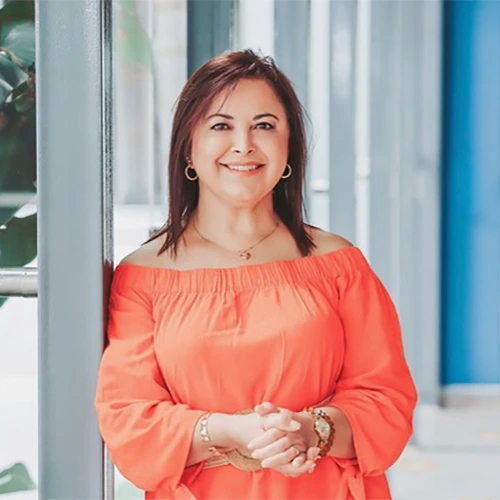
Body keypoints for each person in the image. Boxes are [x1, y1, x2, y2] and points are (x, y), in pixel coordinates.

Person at [95, 49, 417, 500]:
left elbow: (387, 399)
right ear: (189, 147)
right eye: (221, 126)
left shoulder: (339, 264)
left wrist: (310, 430)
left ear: (289, 150)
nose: (244, 144)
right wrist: (230, 431)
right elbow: (128, 418)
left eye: (264, 125)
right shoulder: (144, 276)